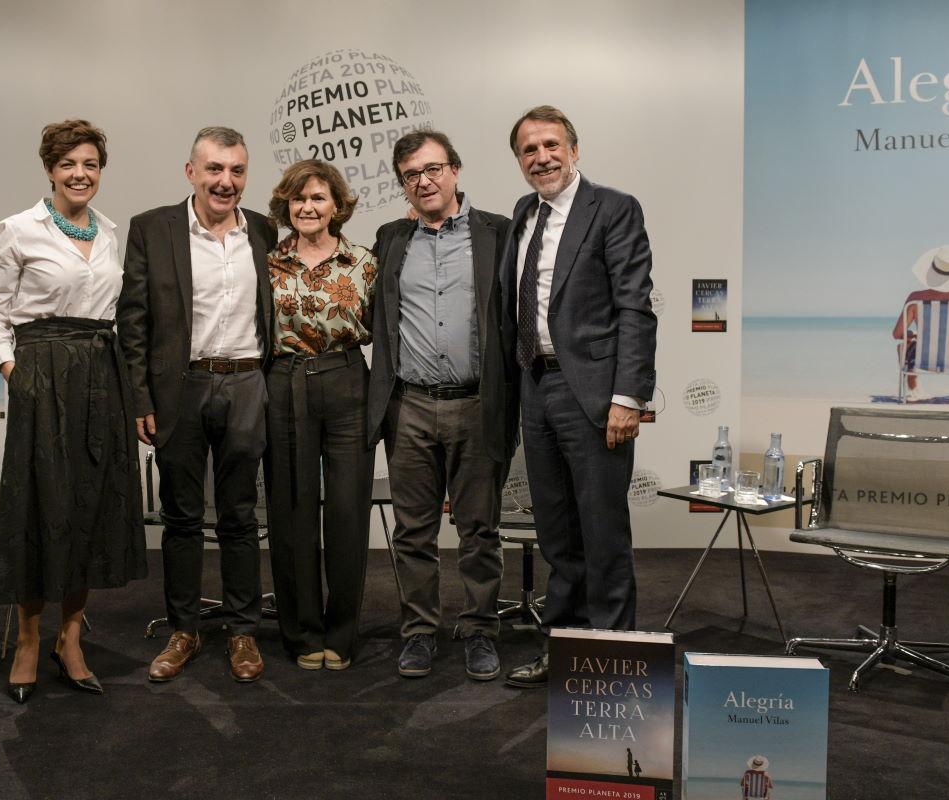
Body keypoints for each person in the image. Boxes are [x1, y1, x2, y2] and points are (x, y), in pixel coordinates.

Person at [0, 119, 147, 704]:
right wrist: (15, 375)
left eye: (91, 164)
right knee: (38, 505)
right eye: (70, 164)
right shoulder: (17, 230)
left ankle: (70, 637)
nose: (81, 174)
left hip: (102, 373)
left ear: (101, 171)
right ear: (49, 169)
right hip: (42, 374)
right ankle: (27, 637)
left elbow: (114, 314)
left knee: (91, 506)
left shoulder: (111, 233)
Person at [501, 106, 657, 688]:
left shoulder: (613, 208)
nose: (541, 157)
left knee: (602, 531)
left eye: (550, 144)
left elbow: (635, 309)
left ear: (573, 148)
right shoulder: (523, 213)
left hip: (592, 393)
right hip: (535, 386)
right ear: (519, 161)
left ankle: (613, 658)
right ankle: (564, 650)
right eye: (528, 150)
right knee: (557, 532)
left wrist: (627, 396)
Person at [117, 126, 276, 683]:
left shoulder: (264, 229)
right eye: (214, 169)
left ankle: (242, 631)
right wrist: (139, 396)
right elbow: (132, 322)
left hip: (247, 384)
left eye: (235, 171)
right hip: (178, 389)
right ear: (191, 172)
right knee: (181, 516)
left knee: (239, 515)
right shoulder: (152, 229)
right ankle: (183, 628)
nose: (225, 181)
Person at [367, 130, 514, 680]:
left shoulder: (497, 232)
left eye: (432, 169)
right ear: (403, 183)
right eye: (410, 175)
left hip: (477, 404)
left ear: (455, 169)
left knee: (479, 530)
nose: (423, 181)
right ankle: (420, 632)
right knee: (412, 533)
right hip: (408, 407)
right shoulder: (390, 238)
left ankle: (480, 631)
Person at [264, 159, 377, 671]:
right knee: (292, 510)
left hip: (347, 378)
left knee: (349, 511)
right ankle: (302, 632)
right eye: (298, 199)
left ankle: (342, 632)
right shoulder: (265, 261)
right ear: (287, 207)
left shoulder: (364, 262)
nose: (307, 208)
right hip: (284, 381)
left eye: (318, 199)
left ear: (337, 206)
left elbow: (382, 328)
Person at [892, 245, 949, 401]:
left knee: (904, 345)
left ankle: (914, 389)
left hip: (922, 358)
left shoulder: (915, 299)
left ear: (933, 271)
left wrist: (915, 334)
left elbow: (897, 334)